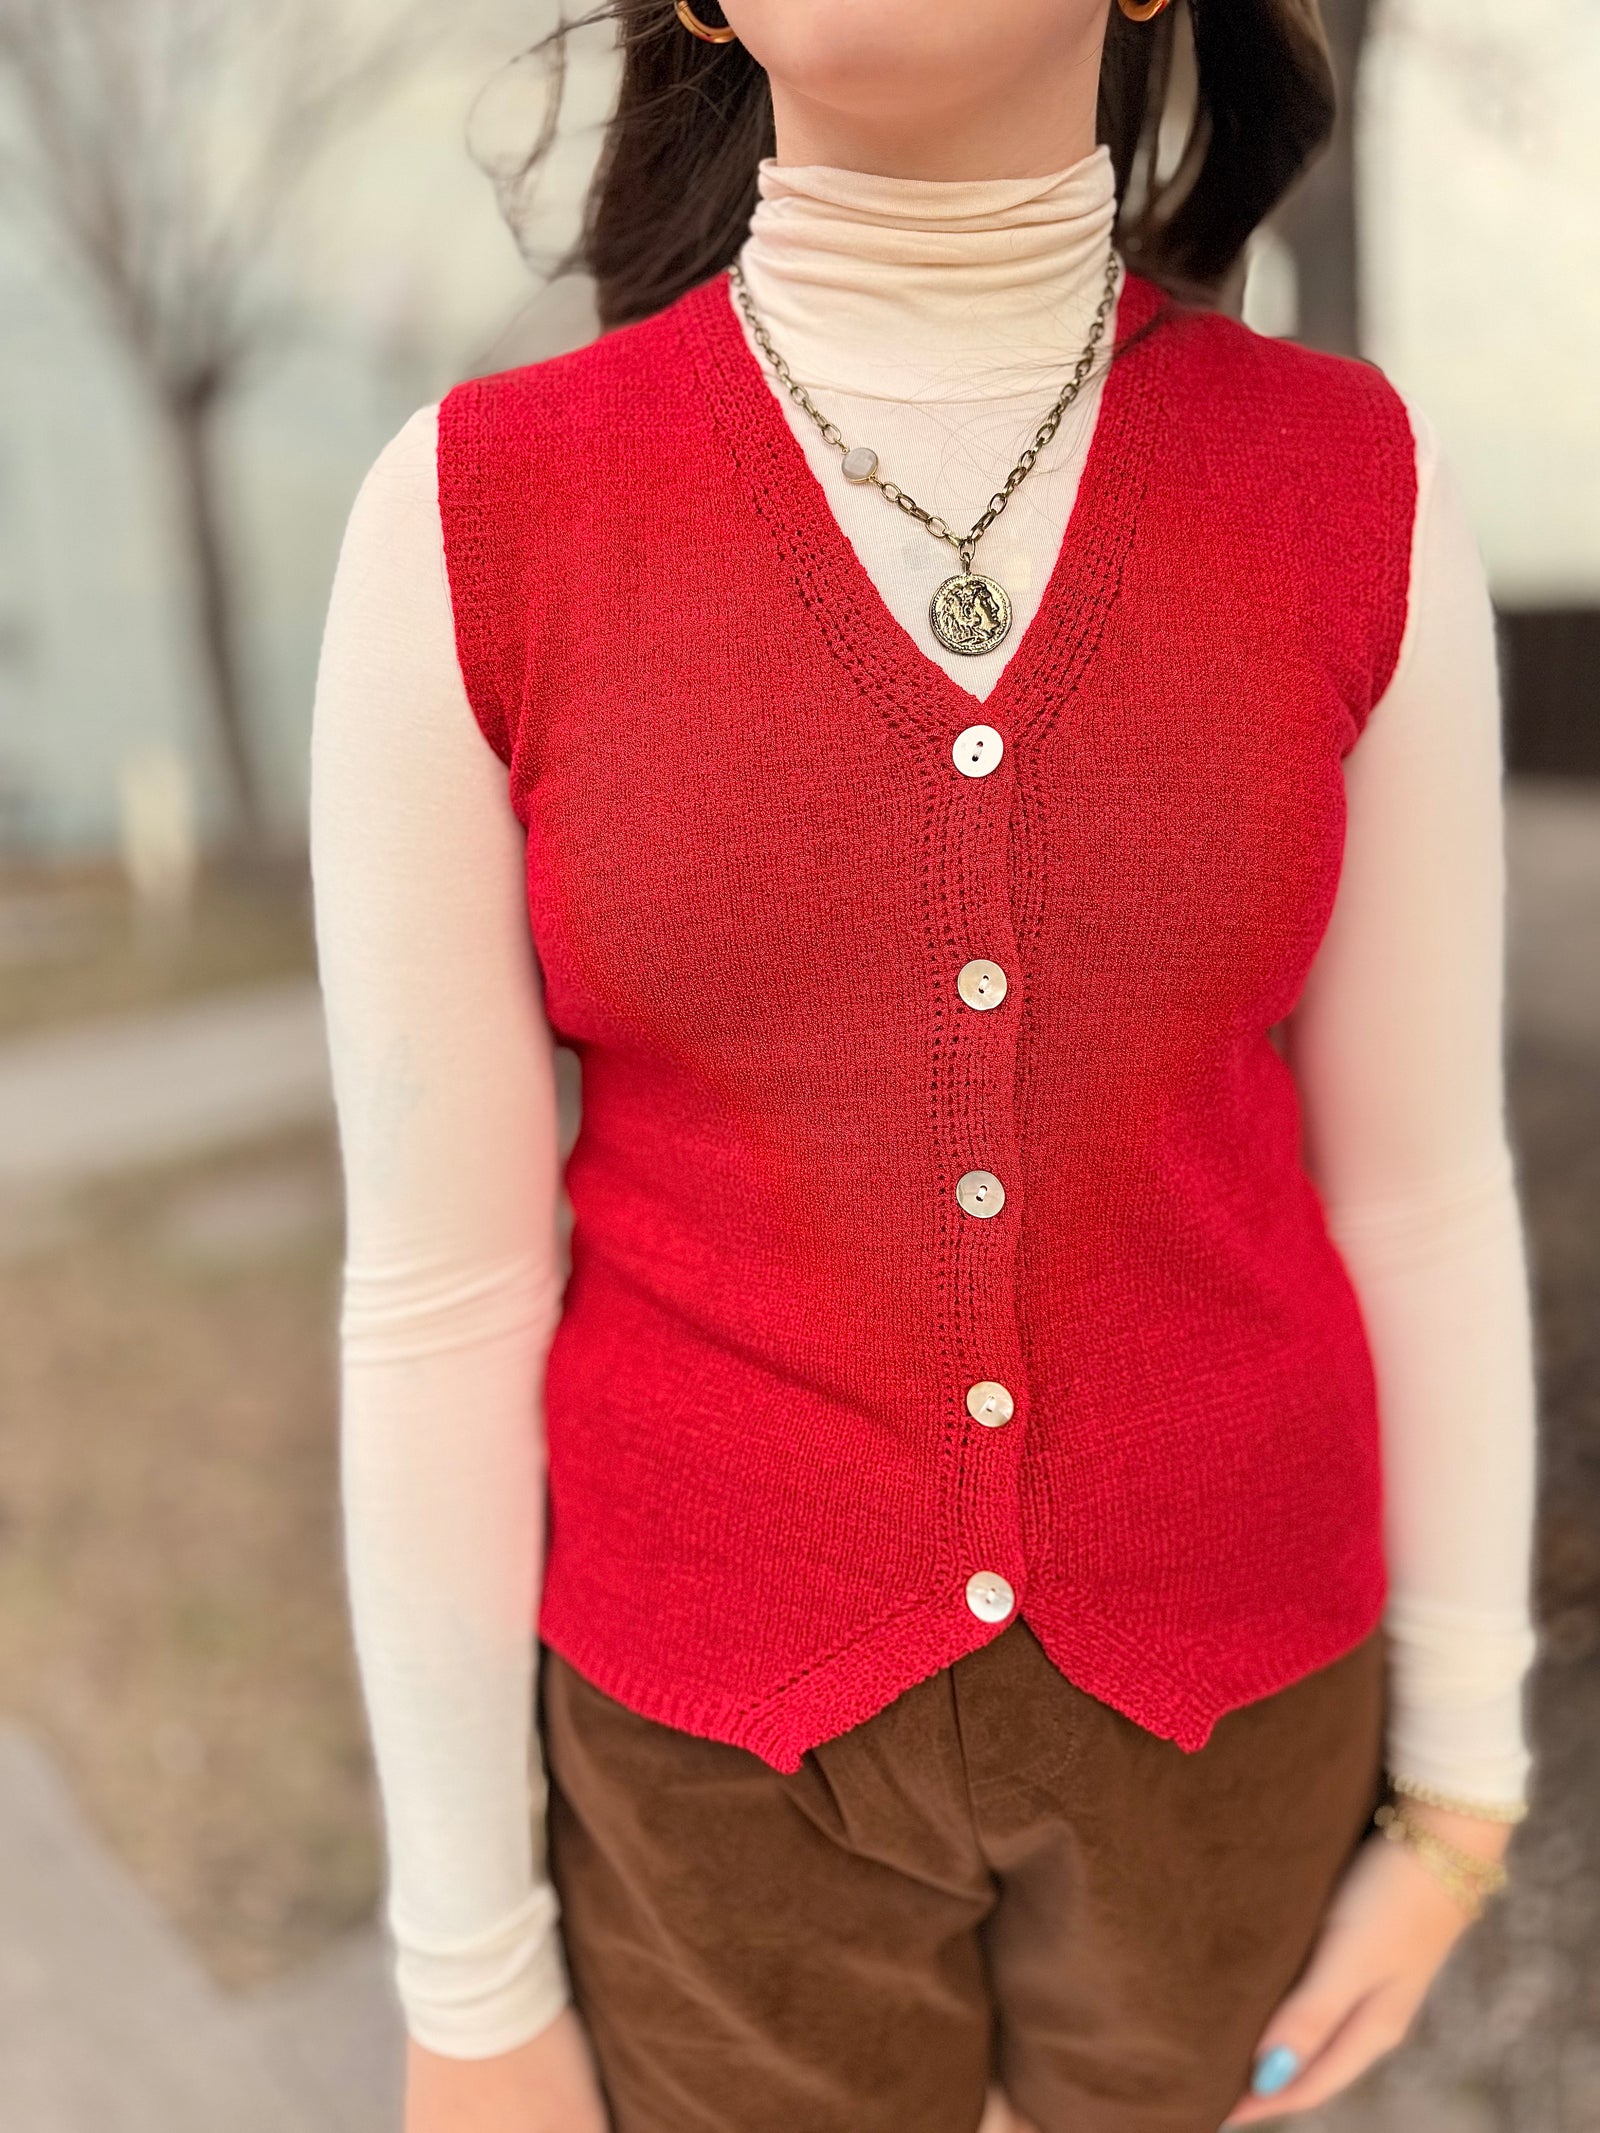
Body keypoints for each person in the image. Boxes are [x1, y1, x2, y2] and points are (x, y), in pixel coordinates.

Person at [308, 3, 1538, 2129]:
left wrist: (1458, 1783)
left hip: (1233, 1719)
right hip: (704, 1784)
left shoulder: (1353, 486)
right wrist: (466, 1974)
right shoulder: (475, 521)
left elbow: (1416, 1191)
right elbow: (439, 1291)